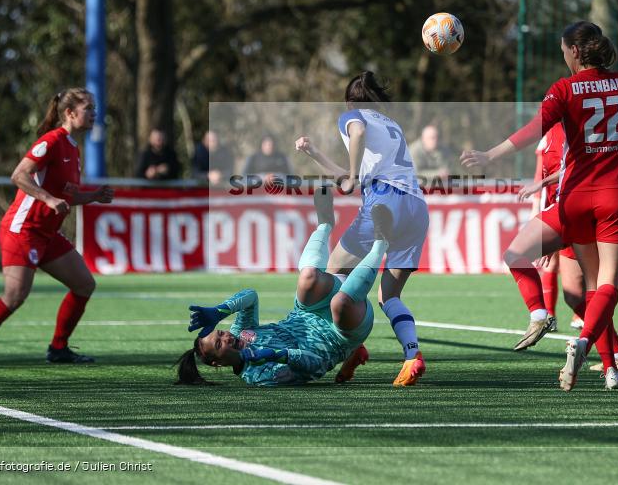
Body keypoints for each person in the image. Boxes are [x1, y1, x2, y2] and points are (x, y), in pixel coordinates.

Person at [461, 21, 618, 391]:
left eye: (563, 50)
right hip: (616, 196)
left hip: (575, 199)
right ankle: (585, 345)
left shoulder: (564, 89)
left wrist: (489, 154)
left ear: (574, 51)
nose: (563, 55)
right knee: (604, 287)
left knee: (517, 253)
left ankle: (544, 316)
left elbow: (535, 129)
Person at [0, 88, 115, 367]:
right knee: (15, 296)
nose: (94, 114)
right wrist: (49, 199)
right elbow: (19, 175)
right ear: (70, 113)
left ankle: (59, 348)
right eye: (88, 108)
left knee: (84, 284)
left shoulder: (73, 149)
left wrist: (94, 196)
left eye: (94, 108)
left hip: (47, 233)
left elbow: (68, 195)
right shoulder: (51, 141)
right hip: (23, 229)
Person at [294, 71, 430, 386]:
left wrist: (353, 173)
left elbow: (355, 138)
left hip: (386, 202)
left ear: (349, 101)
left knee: (332, 273)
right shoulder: (391, 125)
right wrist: (314, 153)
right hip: (416, 207)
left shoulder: (352, 117)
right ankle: (412, 356)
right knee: (389, 295)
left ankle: (349, 346)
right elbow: (349, 176)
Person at [176, 188, 390, 386]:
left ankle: (324, 224)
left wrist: (220, 310)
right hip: (341, 333)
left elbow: (251, 296)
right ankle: (382, 242)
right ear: (217, 364)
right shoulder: (258, 376)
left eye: (220, 333)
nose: (226, 338)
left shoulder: (240, 332)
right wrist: (273, 354)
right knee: (339, 303)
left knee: (308, 277)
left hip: (308, 311)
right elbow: (314, 364)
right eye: (219, 344)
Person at [517, 123, 618, 375]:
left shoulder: (572, 127)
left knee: (595, 288)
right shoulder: (548, 136)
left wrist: (553, 226)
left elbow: (574, 170)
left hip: (579, 211)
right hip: (565, 211)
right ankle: (616, 357)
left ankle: (607, 359)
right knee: (576, 295)